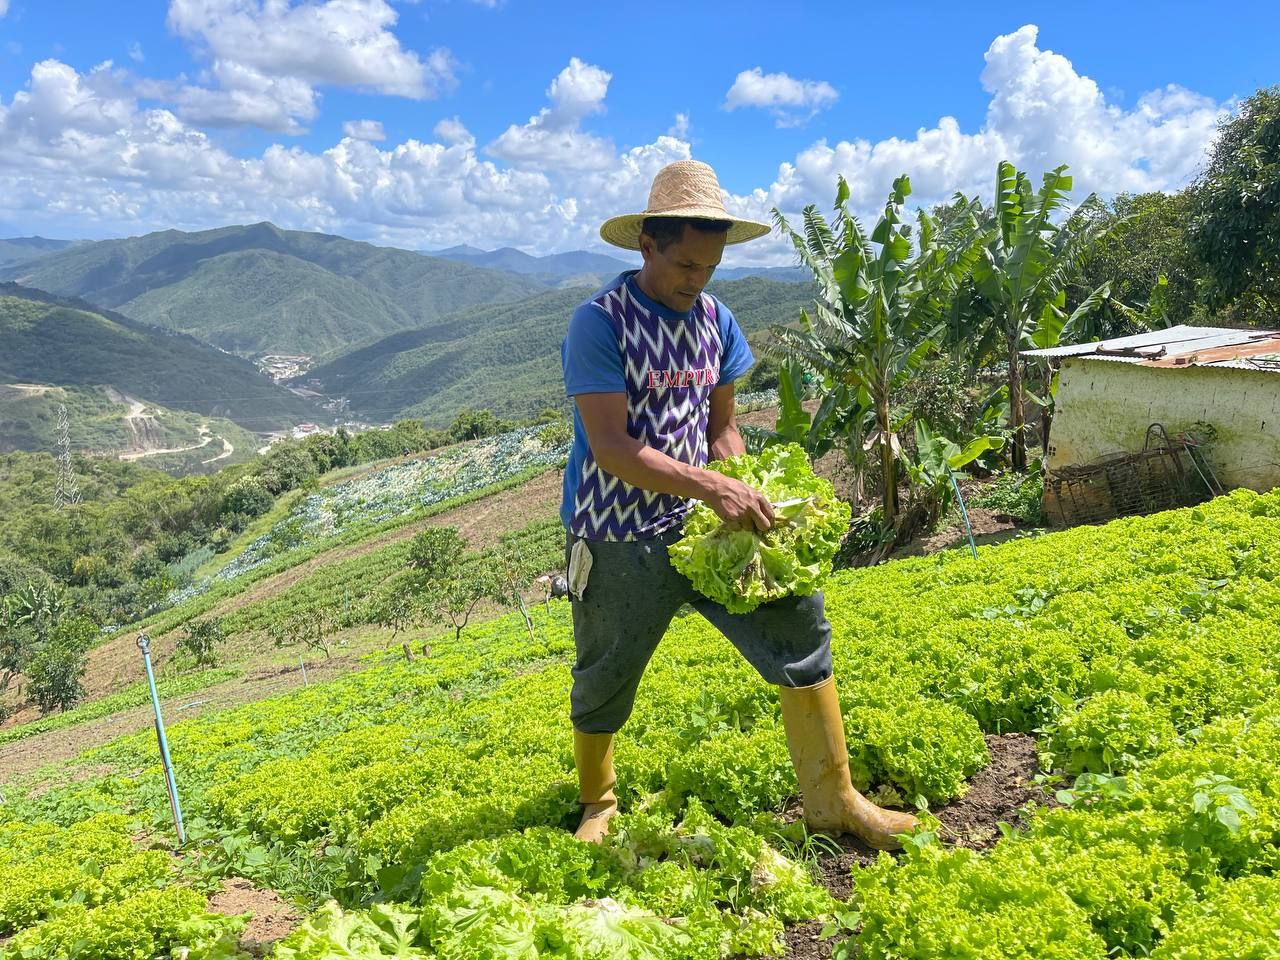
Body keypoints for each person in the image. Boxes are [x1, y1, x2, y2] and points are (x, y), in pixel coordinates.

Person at [559, 159, 917, 850]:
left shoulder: (717, 321)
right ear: (648, 246)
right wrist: (715, 487)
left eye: (709, 267)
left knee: (799, 626)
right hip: (616, 531)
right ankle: (597, 802)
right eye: (685, 264)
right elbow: (612, 447)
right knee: (606, 667)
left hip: (706, 522)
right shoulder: (599, 324)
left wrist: (742, 483)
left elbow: (721, 428)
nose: (697, 280)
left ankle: (834, 798)